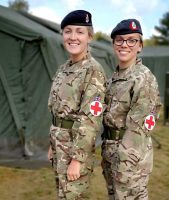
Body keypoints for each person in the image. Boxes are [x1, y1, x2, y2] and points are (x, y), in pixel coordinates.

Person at [47, 10, 106, 200]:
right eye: (68, 31)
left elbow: (90, 119)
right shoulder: (64, 69)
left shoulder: (93, 71)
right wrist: (52, 144)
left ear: (89, 36)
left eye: (79, 32)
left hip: (75, 150)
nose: (73, 37)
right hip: (60, 147)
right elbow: (58, 112)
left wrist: (77, 159)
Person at [101, 19, 161, 200]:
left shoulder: (143, 79)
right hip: (111, 154)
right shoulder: (114, 78)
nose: (124, 44)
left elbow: (138, 129)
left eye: (131, 40)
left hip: (130, 160)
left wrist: (125, 169)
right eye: (119, 40)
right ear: (113, 44)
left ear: (140, 46)